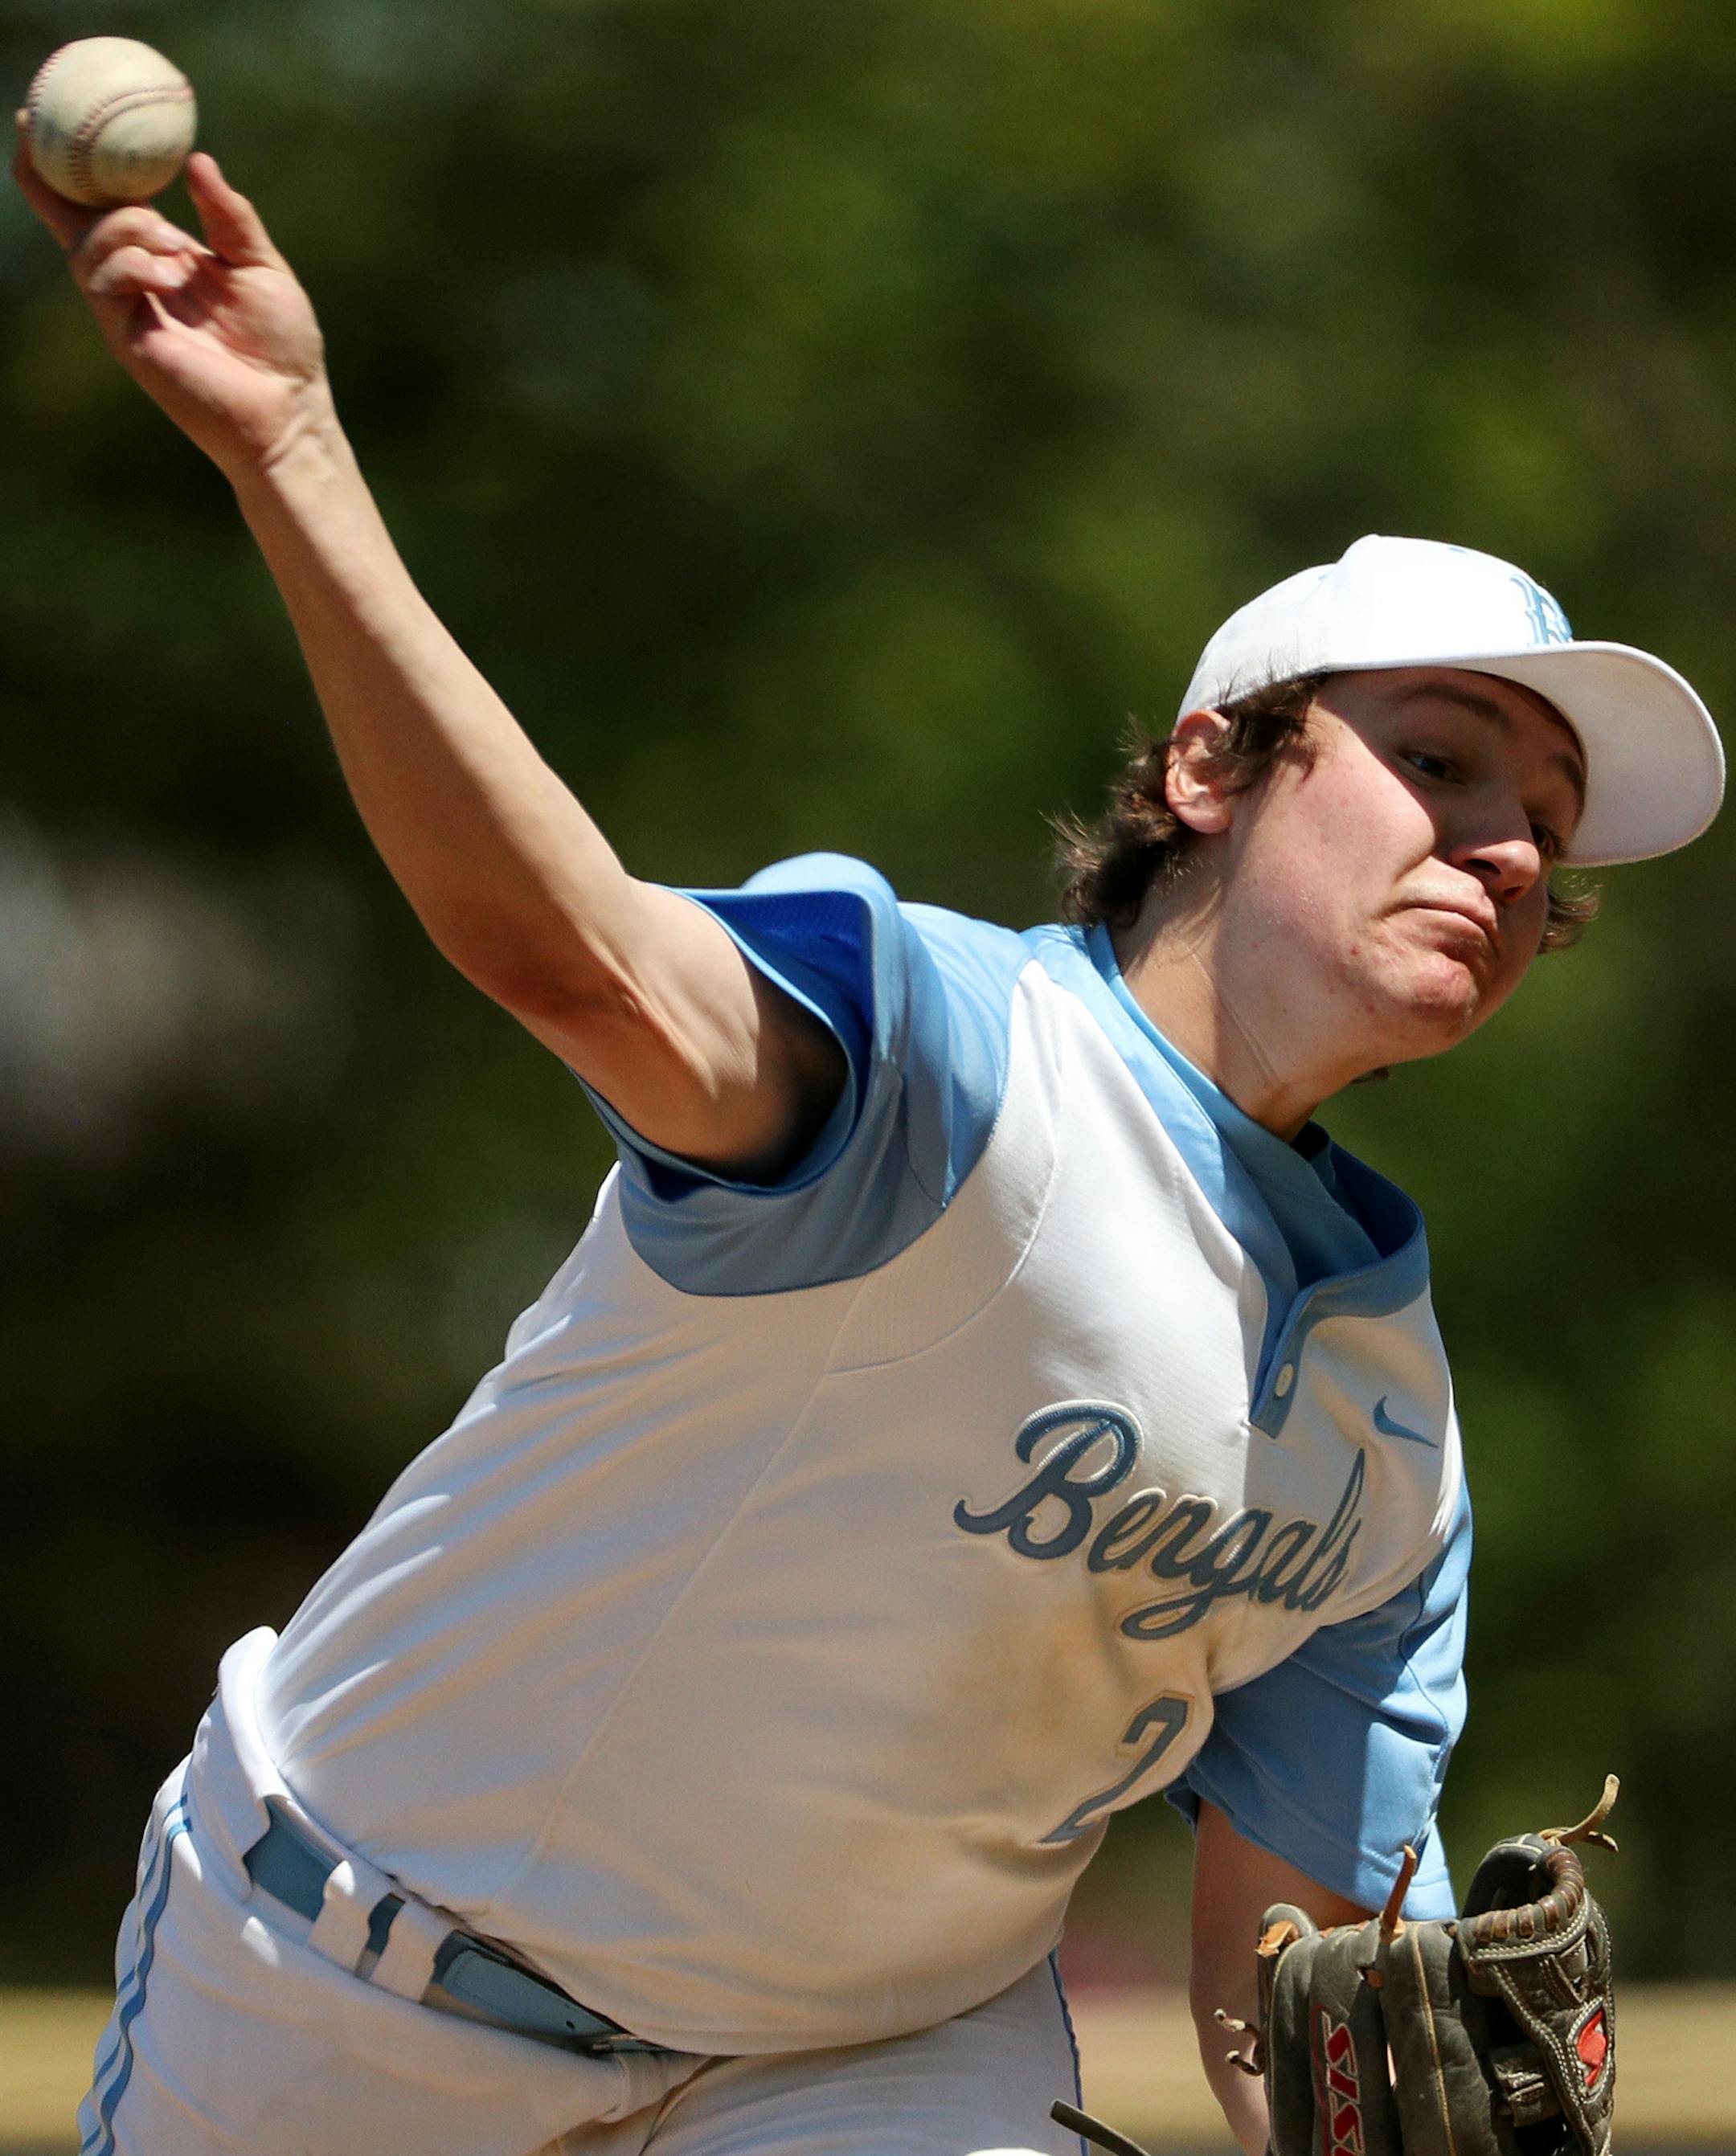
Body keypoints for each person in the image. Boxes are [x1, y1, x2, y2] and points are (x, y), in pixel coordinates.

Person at [16, 140, 1724, 2156]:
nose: (1508, 847)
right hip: (342, 1999)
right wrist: (294, 447)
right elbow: (559, 953)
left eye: (1545, 823)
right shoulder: (939, 1058)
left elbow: (1292, 1996)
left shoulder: (1396, 1444)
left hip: (871, 2072)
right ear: (1210, 768)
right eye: (1436, 760)